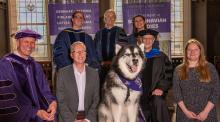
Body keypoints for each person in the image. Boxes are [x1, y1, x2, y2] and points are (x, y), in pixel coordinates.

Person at [0, 29, 57, 122]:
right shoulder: (5, 65)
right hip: (22, 117)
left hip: (41, 116)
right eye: (26, 41)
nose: (30, 45)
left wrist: (52, 102)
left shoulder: (35, 66)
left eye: (33, 42)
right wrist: (34, 112)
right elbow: (8, 99)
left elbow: (45, 89)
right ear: (17, 42)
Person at [173, 39, 220, 122]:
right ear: (186, 52)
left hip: (207, 114)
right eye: (189, 50)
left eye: (196, 50)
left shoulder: (210, 68)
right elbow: (177, 93)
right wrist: (186, 112)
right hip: (184, 114)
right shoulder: (178, 70)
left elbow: (216, 91)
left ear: (200, 51)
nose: (192, 52)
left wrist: (205, 112)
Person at [56, 41, 100, 122]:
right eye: (77, 52)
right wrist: (72, 120)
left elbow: (96, 99)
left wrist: (87, 119)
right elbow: (61, 101)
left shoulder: (94, 74)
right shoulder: (62, 73)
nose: (81, 54)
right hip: (68, 118)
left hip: (88, 118)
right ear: (71, 55)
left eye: (83, 51)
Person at [139, 29, 173, 122]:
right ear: (141, 40)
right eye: (145, 38)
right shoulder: (136, 56)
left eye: (150, 39)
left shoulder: (161, 56)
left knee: (158, 103)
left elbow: (168, 74)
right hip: (139, 93)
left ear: (154, 40)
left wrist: (161, 88)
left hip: (154, 92)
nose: (147, 41)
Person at [94, 9, 127, 86]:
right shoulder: (99, 33)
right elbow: (95, 49)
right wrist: (101, 62)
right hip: (101, 66)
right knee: (102, 87)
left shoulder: (120, 31)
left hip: (116, 66)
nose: (110, 18)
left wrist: (114, 61)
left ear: (115, 19)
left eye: (112, 17)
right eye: (108, 16)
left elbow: (123, 49)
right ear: (104, 19)